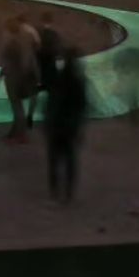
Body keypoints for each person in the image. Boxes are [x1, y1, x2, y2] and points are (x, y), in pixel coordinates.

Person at [44, 49, 89, 202]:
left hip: (56, 126)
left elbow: (50, 104)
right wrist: (80, 127)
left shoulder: (57, 79)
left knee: (54, 161)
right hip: (69, 127)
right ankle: (68, 193)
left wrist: (47, 124)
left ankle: (55, 192)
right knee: (69, 161)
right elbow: (82, 106)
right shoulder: (78, 81)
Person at [0, 15, 41, 142]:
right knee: (17, 106)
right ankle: (16, 131)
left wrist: (5, 70)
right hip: (19, 75)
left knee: (17, 106)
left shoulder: (17, 40)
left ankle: (20, 134)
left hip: (15, 76)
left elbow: (17, 59)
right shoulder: (26, 37)